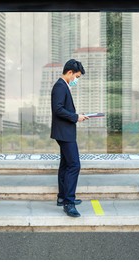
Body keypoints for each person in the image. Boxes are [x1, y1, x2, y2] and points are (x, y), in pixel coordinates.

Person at [51, 59, 89, 218]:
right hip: (64, 133)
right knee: (74, 165)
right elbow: (58, 109)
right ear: (69, 73)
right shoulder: (60, 86)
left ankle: (62, 197)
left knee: (66, 165)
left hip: (64, 132)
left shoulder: (63, 85)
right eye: (77, 77)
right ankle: (69, 202)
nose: (76, 80)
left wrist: (77, 117)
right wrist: (75, 117)